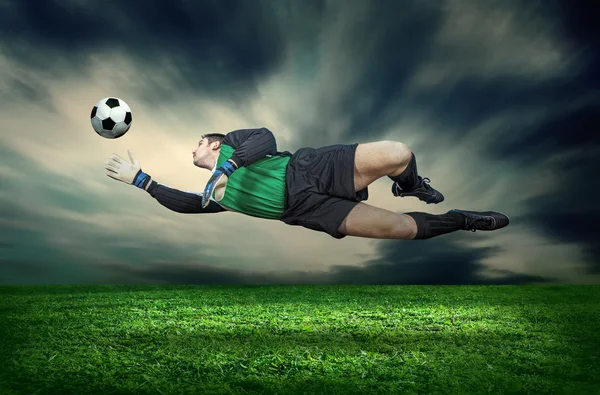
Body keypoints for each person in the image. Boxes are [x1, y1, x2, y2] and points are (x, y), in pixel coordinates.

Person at [104, 127, 509, 240]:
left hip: (307, 169)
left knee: (397, 154)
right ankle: (461, 220)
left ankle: (408, 183)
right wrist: (142, 181)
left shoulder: (230, 145)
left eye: (197, 144)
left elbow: (266, 138)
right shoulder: (217, 197)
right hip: (304, 210)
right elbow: (187, 204)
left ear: (211, 144)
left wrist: (227, 169)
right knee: (401, 229)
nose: (193, 150)